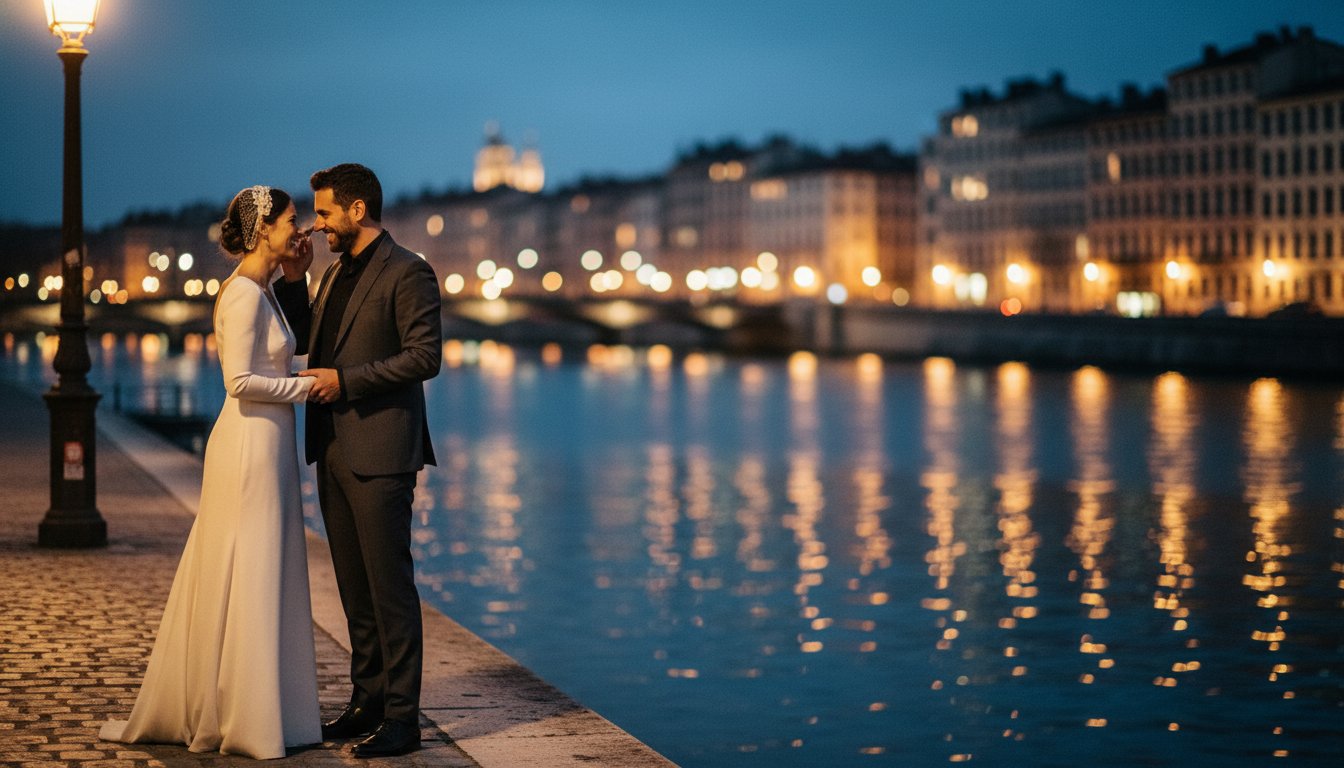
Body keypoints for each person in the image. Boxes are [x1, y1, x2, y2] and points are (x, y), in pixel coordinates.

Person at [100, 186, 322, 759]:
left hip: (267, 440)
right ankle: (245, 714)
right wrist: (309, 387)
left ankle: (259, 706)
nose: (302, 229)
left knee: (261, 565)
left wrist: (296, 278)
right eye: (293, 220)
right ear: (263, 229)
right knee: (248, 565)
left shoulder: (265, 290)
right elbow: (239, 382)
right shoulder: (244, 295)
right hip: (249, 440)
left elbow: (271, 360)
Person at [273, 163, 442, 759]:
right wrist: (295, 278)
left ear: (357, 210)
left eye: (323, 213)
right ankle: (368, 699)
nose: (316, 225)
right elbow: (304, 341)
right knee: (353, 586)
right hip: (333, 447)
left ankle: (403, 720)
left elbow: (425, 357)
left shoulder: (409, 271)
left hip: (382, 450)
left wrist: (346, 383)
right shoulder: (334, 272)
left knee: (390, 589)